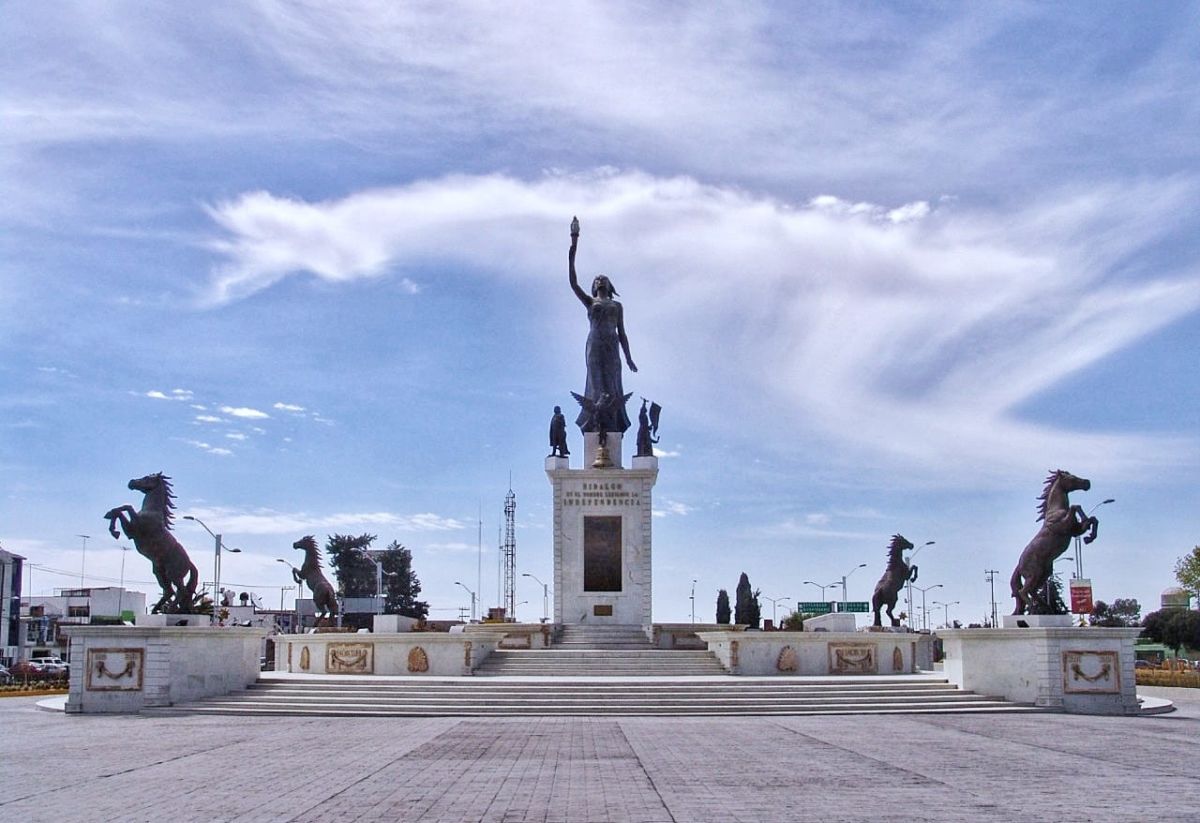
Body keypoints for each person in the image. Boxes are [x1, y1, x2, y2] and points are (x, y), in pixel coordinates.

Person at [568, 217, 636, 433]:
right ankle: (595, 423)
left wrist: (629, 358)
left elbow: (623, 333)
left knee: (613, 383)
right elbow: (573, 283)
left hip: (612, 345)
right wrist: (573, 249)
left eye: (604, 279)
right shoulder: (590, 302)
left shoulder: (617, 305)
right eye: (597, 279)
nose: (600, 281)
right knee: (596, 384)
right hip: (595, 345)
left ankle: (613, 423)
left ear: (610, 284)